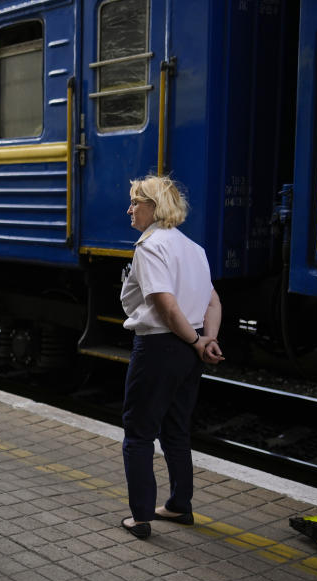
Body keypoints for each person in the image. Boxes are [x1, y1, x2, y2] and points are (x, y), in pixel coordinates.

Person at [118, 175, 224, 540]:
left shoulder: (150, 247)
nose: (130, 210)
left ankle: (141, 517)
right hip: (188, 352)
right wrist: (206, 340)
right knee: (176, 430)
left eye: (136, 202)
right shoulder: (193, 248)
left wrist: (197, 340)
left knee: (138, 432)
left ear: (154, 207)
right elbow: (212, 301)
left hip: (160, 348)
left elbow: (164, 304)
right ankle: (179, 505)